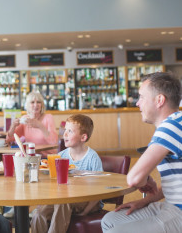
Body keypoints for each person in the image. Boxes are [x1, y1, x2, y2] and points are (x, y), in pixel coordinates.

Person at [101, 72, 182, 233]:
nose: (137, 103)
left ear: (159, 100)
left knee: (114, 231)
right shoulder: (176, 121)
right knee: (110, 220)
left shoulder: (170, 127)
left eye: (141, 97)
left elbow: (134, 178)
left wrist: (143, 179)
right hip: (171, 204)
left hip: (178, 210)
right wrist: (146, 201)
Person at [31, 114, 103, 233]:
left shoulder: (92, 158)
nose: (64, 134)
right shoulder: (61, 156)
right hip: (64, 200)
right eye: (65, 130)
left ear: (83, 137)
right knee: (39, 214)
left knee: (63, 201)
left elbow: (99, 190)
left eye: (70, 131)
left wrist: (86, 211)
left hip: (88, 201)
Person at [6, 91, 58, 156]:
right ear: (27, 105)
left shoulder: (48, 118)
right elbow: (9, 139)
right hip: (31, 157)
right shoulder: (25, 119)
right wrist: (13, 126)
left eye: (38, 102)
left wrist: (40, 126)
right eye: (32, 102)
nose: (36, 105)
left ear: (42, 105)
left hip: (47, 157)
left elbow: (54, 142)